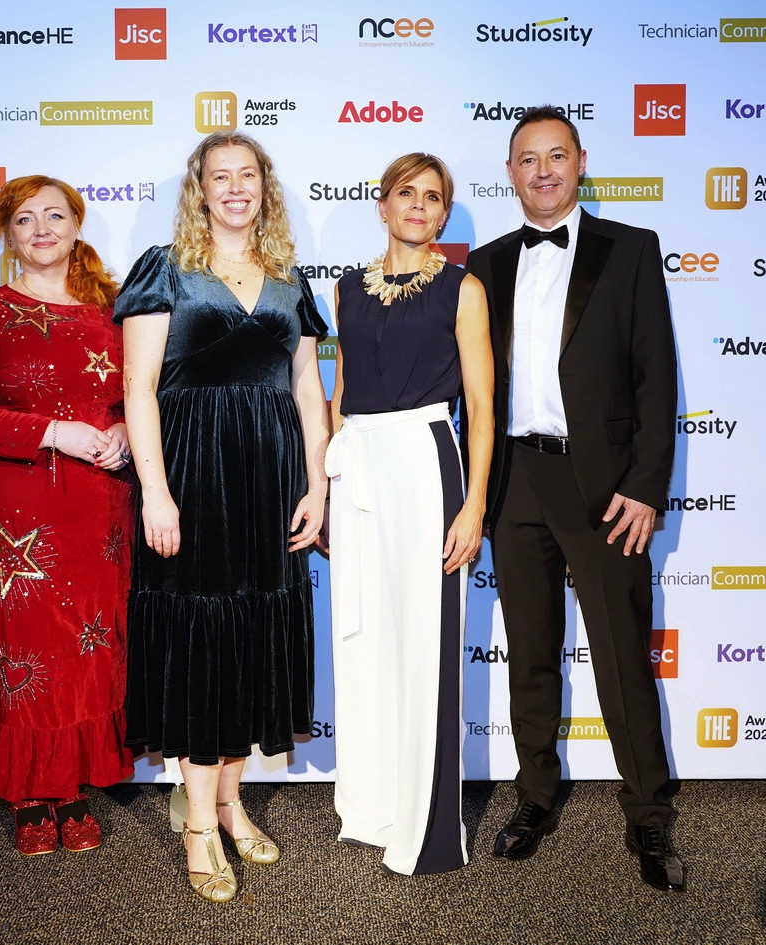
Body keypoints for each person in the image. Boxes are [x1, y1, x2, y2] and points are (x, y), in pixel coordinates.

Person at [464, 106, 685, 891]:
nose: (543, 171)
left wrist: (644, 486)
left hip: (604, 487)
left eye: (555, 155)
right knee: (529, 652)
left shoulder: (630, 249)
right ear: (510, 172)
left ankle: (648, 812)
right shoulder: (484, 265)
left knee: (621, 657)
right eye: (528, 159)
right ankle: (534, 795)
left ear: (580, 161)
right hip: (513, 480)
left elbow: (656, 375)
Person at [114, 131, 330, 902]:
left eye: (247, 175)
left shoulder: (289, 278)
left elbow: (307, 390)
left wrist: (316, 484)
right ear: (199, 190)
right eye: (220, 176)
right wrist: (155, 490)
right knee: (201, 638)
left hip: (271, 480)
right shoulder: (163, 268)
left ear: (263, 187)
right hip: (192, 474)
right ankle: (199, 823)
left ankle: (232, 804)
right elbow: (138, 387)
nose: (235, 187)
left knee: (252, 635)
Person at [0, 176, 134, 856]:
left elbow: (141, 395)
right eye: (25, 219)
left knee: (88, 644)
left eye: (55, 215)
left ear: (77, 226)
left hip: (100, 506)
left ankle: (72, 782)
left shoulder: (115, 310)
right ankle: (29, 789)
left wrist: (126, 431)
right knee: (24, 650)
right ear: (6, 234)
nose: (42, 229)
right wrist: (51, 431)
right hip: (16, 512)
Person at [326, 153, 494, 875]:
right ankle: (371, 807)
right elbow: (341, 393)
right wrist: (326, 484)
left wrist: (474, 503)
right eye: (406, 193)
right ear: (383, 204)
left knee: (427, 644)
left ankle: (427, 829)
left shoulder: (463, 288)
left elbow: (481, 406)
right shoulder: (344, 289)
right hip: (357, 464)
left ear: (443, 214)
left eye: (433, 197)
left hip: (427, 464)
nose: (419, 205)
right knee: (363, 636)